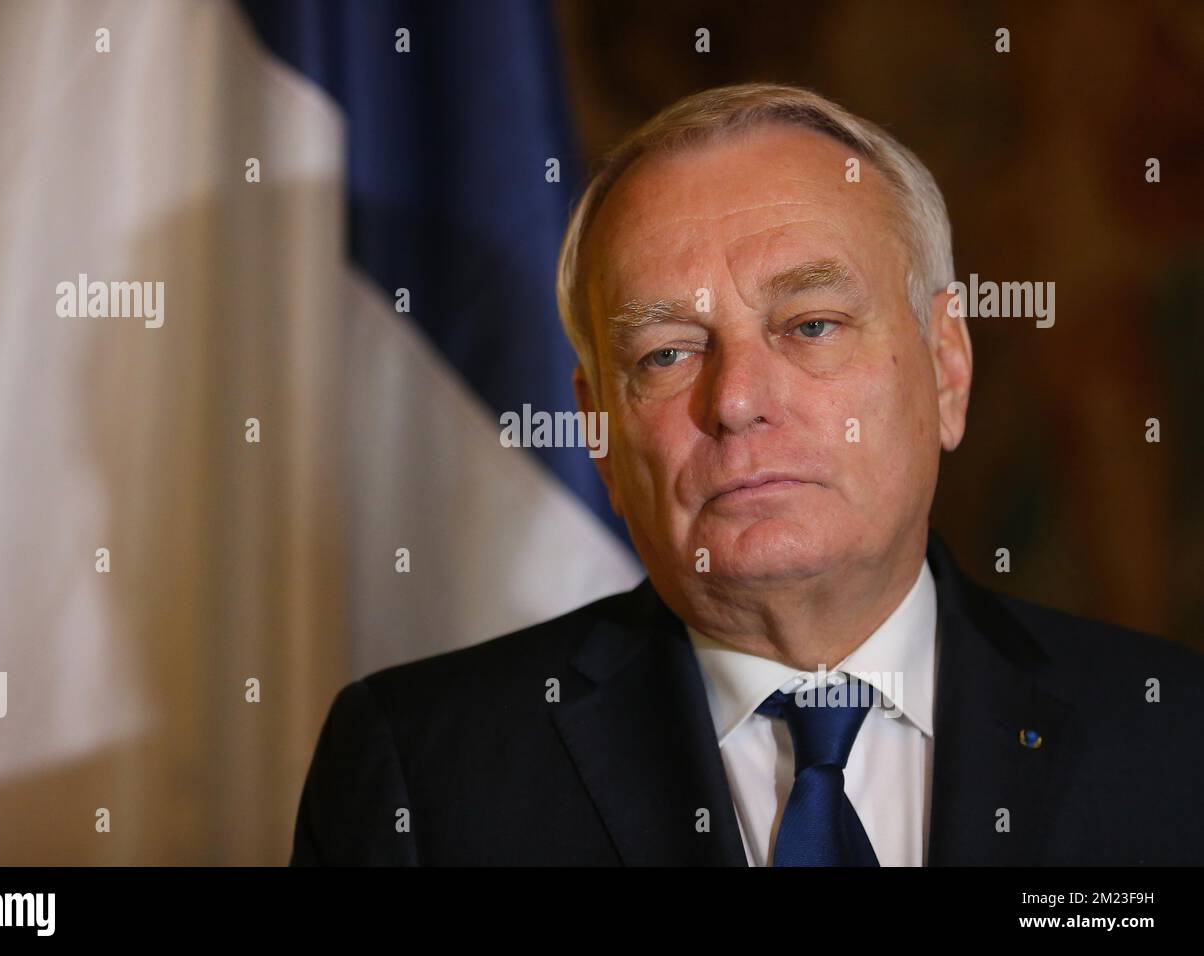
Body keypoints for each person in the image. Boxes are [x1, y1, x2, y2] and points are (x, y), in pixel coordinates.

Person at [291, 83, 1204, 866]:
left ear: (947, 367)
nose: (735, 401)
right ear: (599, 429)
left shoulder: (1174, 741)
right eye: (664, 355)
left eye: (810, 325)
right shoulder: (424, 775)